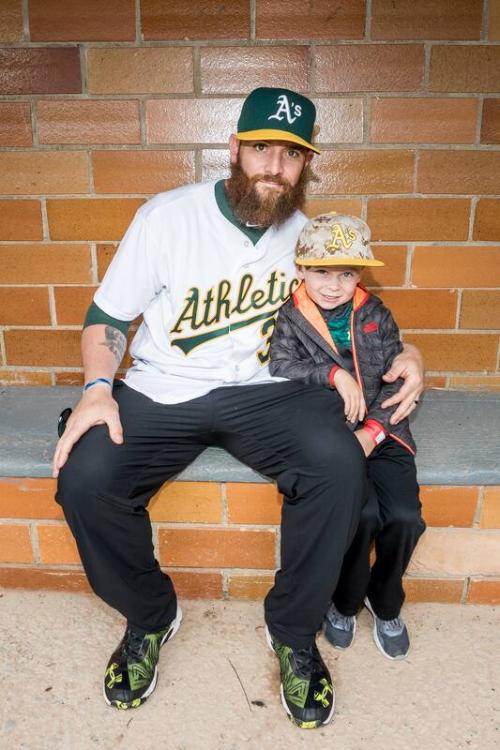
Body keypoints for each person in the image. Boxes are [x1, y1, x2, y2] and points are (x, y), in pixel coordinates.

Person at [52, 87, 424, 729]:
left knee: (338, 465)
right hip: (165, 385)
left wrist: (411, 351)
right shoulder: (167, 216)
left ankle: (294, 633)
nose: (272, 166)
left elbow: (360, 311)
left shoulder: (312, 237)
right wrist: (96, 389)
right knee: (85, 479)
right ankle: (150, 616)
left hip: (273, 392)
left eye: (290, 154)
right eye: (260, 148)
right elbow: (108, 316)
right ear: (234, 149)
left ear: (305, 164)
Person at [269, 213, 426, 662]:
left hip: (384, 432)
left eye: (347, 273)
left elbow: (399, 379)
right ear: (300, 269)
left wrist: (374, 432)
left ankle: (386, 600)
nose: (334, 285)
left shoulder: (375, 314)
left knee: (403, 517)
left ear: (360, 274)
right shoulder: (291, 316)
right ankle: (345, 601)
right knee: (360, 516)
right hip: (331, 436)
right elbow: (281, 367)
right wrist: (334, 374)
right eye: (321, 271)